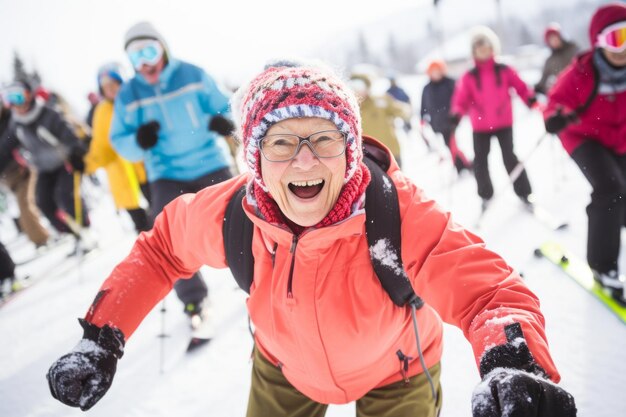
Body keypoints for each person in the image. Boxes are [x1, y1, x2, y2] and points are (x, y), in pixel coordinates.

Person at [47, 62, 576, 417]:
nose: (304, 159)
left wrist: (516, 364)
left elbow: (490, 291)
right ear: (254, 160)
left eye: (323, 138)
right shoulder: (234, 213)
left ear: (348, 150)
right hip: (284, 368)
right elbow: (161, 248)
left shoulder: (394, 210)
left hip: (400, 369)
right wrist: (101, 337)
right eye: (281, 142)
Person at [108, 22, 236, 320]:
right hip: (166, 172)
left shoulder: (191, 75)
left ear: (163, 48)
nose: (145, 63)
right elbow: (119, 139)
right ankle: (195, 301)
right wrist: (138, 141)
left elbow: (226, 107)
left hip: (209, 162)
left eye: (149, 52)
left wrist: (226, 122)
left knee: (242, 214)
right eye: (136, 57)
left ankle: (265, 275)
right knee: (167, 234)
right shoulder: (129, 94)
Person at [544, 3, 626, 305]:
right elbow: (554, 101)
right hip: (583, 137)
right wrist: (554, 116)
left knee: (621, 195)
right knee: (610, 189)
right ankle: (603, 267)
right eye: (616, 39)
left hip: (620, 139)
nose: (623, 48)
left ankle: (614, 222)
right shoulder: (582, 72)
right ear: (599, 41)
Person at [451, 26, 538, 210]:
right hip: (480, 126)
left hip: (503, 123)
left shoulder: (504, 69)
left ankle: (524, 193)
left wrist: (530, 99)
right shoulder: (469, 76)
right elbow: (461, 99)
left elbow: (521, 87)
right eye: (478, 48)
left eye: (486, 47)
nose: (483, 51)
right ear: (474, 52)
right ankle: (485, 195)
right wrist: (456, 114)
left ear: (492, 48)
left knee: (510, 158)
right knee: (480, 161)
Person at [0, 80, 90, 239]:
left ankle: (86, 229)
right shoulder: (16, 123)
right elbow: (6, 148)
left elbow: (68, 133)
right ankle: (72, 233)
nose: (16, 105)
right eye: (10, 100)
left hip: (64, 162)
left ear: (29, 95)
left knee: (66, 196)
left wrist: (76, 153)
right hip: (43, 168)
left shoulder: (48, 113)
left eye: (19, 97)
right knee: (44, 202)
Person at [83, 62, 150, 233]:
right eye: (106, 87)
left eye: (114, 84)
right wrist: (86, 164)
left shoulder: (137, 100)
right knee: (141, 225)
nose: (111, 89)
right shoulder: (102, 112)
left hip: (147, 170)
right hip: (121, 176)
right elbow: (101, 147)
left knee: (162, 213)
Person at [0, 97, 49, 247]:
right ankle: (44, 233)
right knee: (30, 204)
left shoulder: (12, 118)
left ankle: (41, 239)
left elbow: (11, 143)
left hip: (24, 167)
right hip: (9, 176)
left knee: (26, 205)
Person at [420, 59, 472, 174]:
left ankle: (463, 165)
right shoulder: (427, 88)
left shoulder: (450, 83)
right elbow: (423, 105)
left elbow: (460, 99)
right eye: (432, 72)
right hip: (437, 122)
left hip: (451, 120)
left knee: (452, 144)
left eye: (437, 71)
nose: (435, 74)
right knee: (448, 144)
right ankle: (461, 164)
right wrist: (422, 118)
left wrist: (459, 113)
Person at [350, 73, 411, 168]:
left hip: (390, 153)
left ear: (367, 87)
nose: (357, 90)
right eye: (353, 86)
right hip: (368, 159)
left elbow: (401, 110)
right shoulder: (349, 108)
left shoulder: (381, 101)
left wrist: (406, 110)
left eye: (360, 86)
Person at [534, 23, 579, 96]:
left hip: (579, 88)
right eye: (551, 39)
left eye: (555, 37)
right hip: (564, 94)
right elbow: (543, 80)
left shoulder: (572, 49)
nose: (554, 40)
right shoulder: (550, 61)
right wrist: (537, 89)